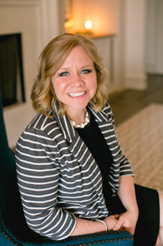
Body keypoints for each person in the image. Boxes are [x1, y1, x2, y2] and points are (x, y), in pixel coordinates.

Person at [15, 33, 163, 246]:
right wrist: (104, 226)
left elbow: (119, 162)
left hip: (111, 198)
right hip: (83, 224)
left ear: (96, 73)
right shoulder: (39, 139)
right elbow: (41, 219)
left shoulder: (99, 111)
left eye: (85, 70)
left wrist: (133, 210)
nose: (77, 82)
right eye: (64, 73)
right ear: (49, 81)